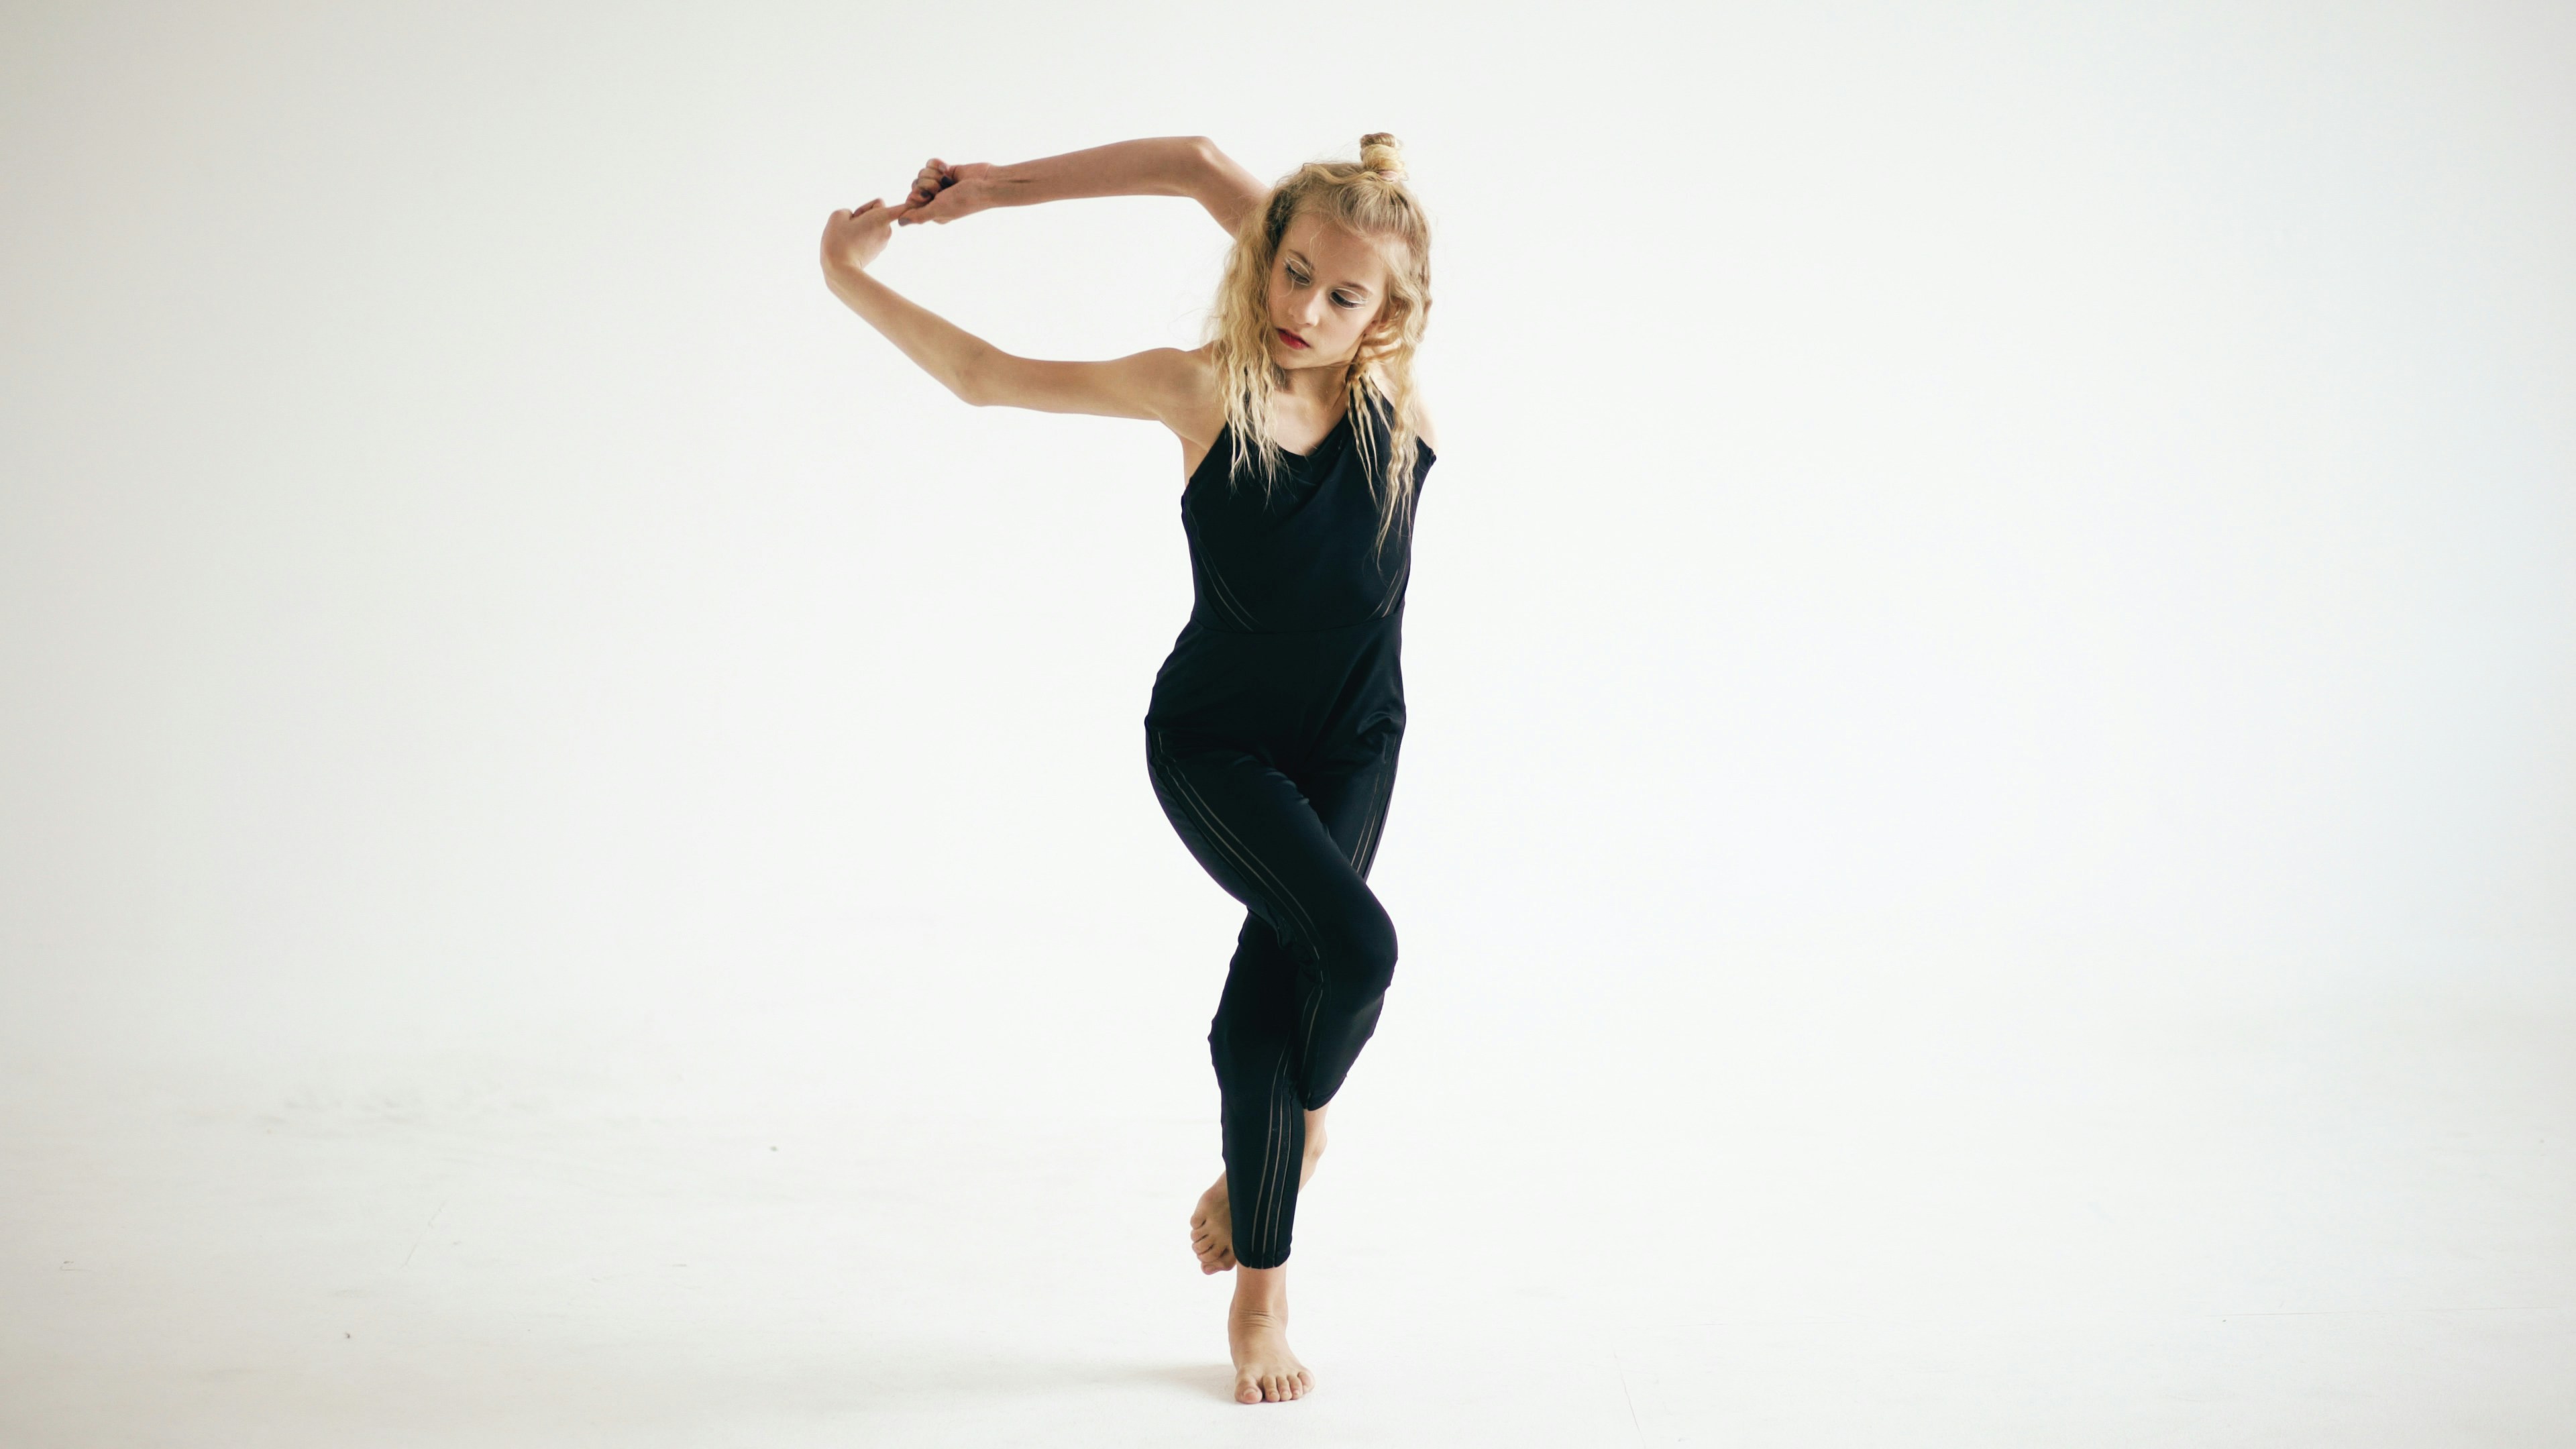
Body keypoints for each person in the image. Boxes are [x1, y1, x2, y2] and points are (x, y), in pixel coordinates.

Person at [818, 133, 1437, 1406]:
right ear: (1267, 258)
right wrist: (875, 258)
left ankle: (1263, 1261)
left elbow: (1231, 183)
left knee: (1280, 1000)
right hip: (1215, 747)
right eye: (1293, 272)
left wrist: (1330, 235)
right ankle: (1300, 1142)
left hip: (1356, 743)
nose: (1307, 307)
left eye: (1343, 295)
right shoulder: (1200, 389)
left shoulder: (1398, 405)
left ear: (1390, 314)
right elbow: (993, 369)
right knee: (1355, 954)